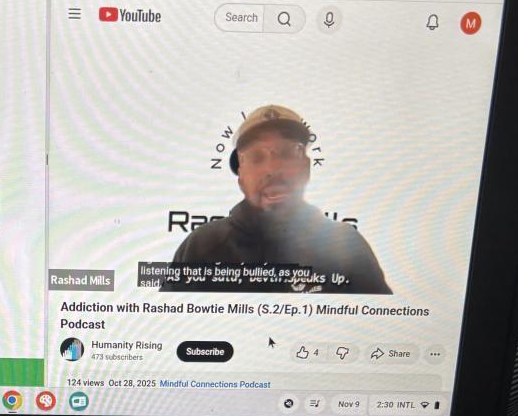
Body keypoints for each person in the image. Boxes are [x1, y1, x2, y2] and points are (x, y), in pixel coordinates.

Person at [166, 104, 391, 293]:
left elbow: (382, 323)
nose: (273, 169)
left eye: (287, 153)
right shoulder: (201, 247)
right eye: (256, 157)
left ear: (307, 167)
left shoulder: (347, 246)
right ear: (241, 177)